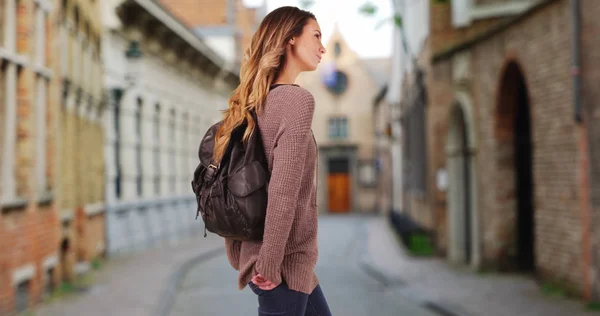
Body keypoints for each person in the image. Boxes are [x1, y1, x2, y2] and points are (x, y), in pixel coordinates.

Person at [211, 5, 331, 316]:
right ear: (291, 38)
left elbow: (232, 180)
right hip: (280, 266)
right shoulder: (296, 100)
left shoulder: (253, 103)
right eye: (316, 35)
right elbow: (282, 190)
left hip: (276, 261)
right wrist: (269, 262)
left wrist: (242, 253)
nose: (323, 47)